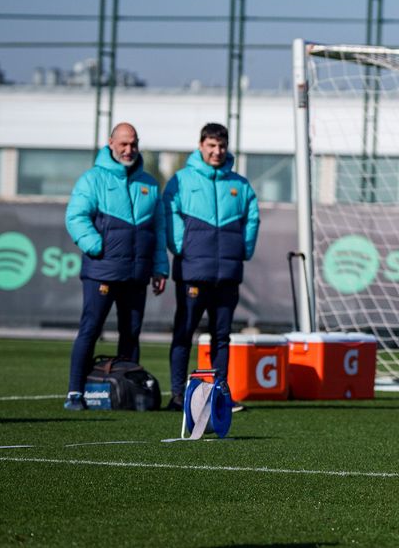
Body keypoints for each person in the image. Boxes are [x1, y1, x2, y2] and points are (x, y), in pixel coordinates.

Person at [63, 123, 169, 410]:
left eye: (133, 144)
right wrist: (98, 247)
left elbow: (158, 229)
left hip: (137, 274)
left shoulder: (149, 184)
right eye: (123, 144)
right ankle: (75, 393)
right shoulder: (92, 179)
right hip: (102, 271)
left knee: (131, 332)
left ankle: (130, 392)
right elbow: (75, 217)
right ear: (111, 143)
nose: (128, 149)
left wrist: (160, 268)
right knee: (90, 329)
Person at [164, 123, 260, 411]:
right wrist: (182, 246)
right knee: (184, 333)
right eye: (211, 145)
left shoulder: (240, 185)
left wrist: (243, 250)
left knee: (222, 337)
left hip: (227, 274)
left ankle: (220, 395)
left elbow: (252, 218)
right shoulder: (181, 180)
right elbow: (169, 212)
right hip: (192, 272)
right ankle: (177, 395)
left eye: (221, 146)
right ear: (201, 146)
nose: (217, 151)